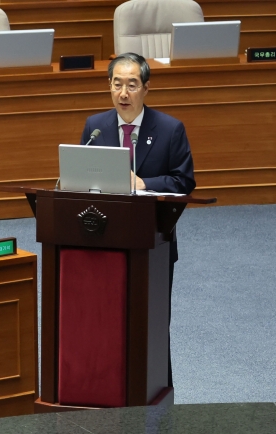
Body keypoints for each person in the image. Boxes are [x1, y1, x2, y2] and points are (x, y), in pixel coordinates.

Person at [80, 52, 196, 387]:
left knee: (152, 322)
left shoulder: (170, 129)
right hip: (103, 240)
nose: (124, 93)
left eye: (132, 85)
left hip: (153, 242)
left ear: (146, 88)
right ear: (109, 87)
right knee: (104, 320)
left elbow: (184, 182)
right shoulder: (96, 127)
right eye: (117, 84)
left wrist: (145, 183)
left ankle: (159, 391)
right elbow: (81, 177)